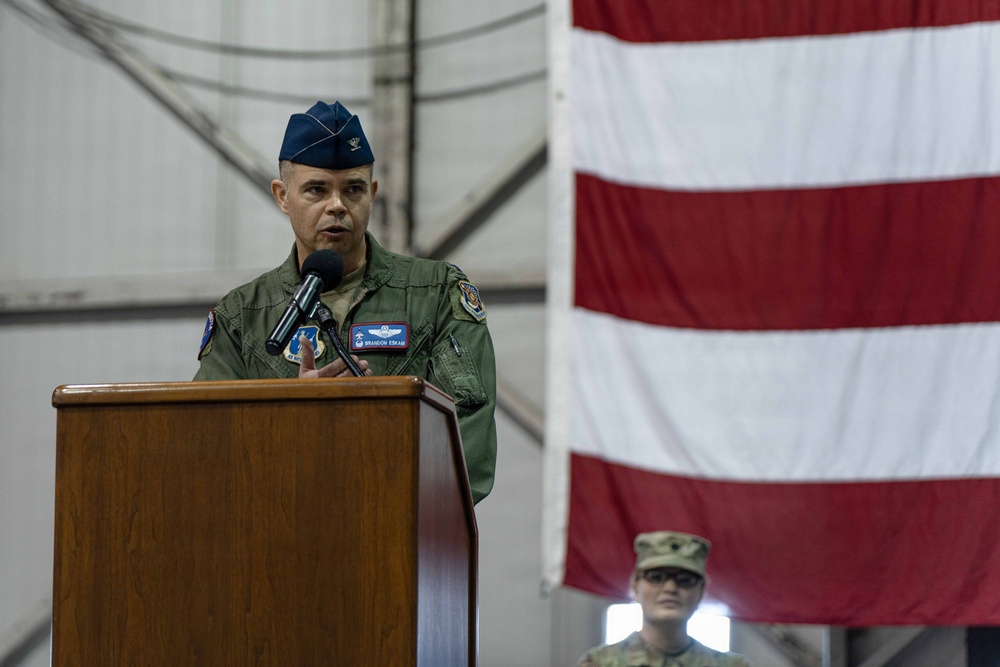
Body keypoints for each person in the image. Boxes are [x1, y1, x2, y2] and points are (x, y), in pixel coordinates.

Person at [194, 100, 497, 504]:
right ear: (283, 196)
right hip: (278, 544)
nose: (337, 204)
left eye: (352, 189)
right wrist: (293, 424)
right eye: (317, 189)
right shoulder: (242, 316)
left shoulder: (436, 294)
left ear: (371, 194)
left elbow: (468, 440)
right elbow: (205, 447)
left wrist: (373, 484)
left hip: (398, 539)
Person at [577, 531, 751, 667]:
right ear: (635, 587)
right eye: (656, 577)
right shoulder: (598, 663)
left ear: (701, 592)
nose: (670, 588)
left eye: (686, 580)